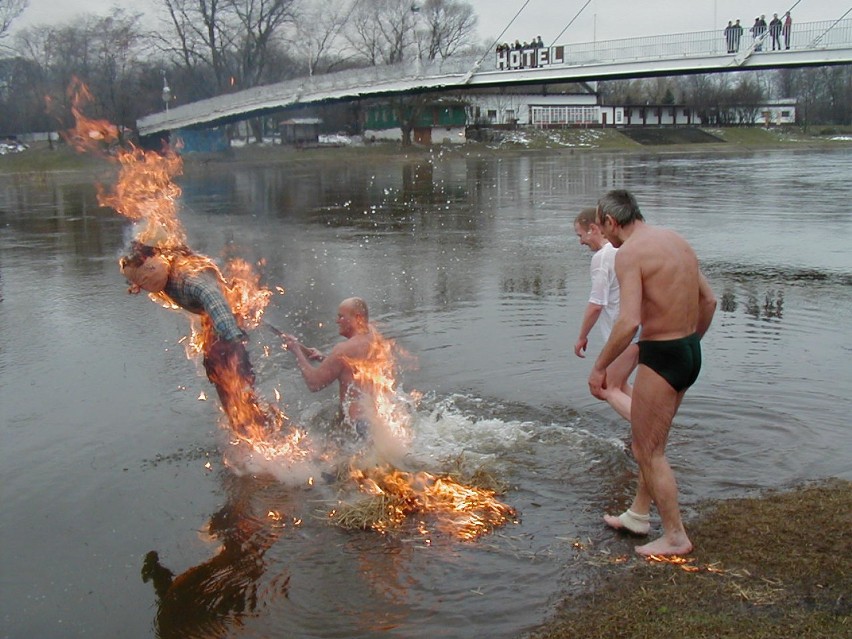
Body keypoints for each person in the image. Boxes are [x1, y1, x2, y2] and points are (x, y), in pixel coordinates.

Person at [589, 190, 716, 556]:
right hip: (689, 351)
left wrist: (600, 367)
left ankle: (675, 536)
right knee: (652, 444)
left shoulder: (629, 254)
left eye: (603, 227)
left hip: (662, 355)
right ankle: (637, 515)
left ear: (613, 222)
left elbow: (629, 321)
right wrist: (691, 342)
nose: (605, 236)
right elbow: (709, 300)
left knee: (647, 449)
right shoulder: (676, 241)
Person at [119, 241, 260, 437]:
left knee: (232, 374)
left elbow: (212, 297)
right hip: (213, 322)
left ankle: (256, 429)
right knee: (217, 372)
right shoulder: (159, 265)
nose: (141, 288)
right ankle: (243, 430)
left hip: (228, 323)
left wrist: (232, 337)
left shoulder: (188, 281)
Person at [573, 207, 637, 422]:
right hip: (642, 332)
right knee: (620, 385)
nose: (580, 242)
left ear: (593, 228)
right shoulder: (624, 251)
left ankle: (651, 432)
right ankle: (655, 424)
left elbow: (596, 304)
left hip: (626, 335)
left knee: (606, 387)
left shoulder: (602, 258)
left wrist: (582, 336)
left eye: (580, 235)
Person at [281, 297, 375, 437]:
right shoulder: (373, 340)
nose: (337, 321)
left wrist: (296, 351)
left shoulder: (343, 349)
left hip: (357, 426)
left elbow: (314, 383)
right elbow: (352, 370)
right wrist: (324, 359)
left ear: (357, 318)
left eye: (341, 316)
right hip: (374, 422)